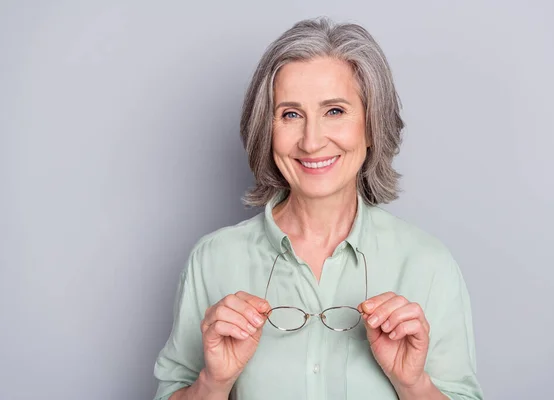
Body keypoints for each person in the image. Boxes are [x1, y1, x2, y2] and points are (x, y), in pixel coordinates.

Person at [153, 17, 483, 400]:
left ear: (371, 126)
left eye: (335, 111)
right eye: (291, 114)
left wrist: (413, 384)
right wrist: (214, 383)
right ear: (267, 128)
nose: (311, 142)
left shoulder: (429, 265)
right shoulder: (212, 261)